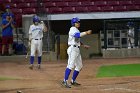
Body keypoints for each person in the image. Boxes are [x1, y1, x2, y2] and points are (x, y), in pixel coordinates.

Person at [61, 17, 92, 88]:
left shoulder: (76, 30)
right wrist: (86, 32)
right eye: (77, 22)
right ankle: (65, 81)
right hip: (72, 49)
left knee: (79, 66)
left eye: (79, 22)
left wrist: (83, 45)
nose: (78, 23)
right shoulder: (72, 29)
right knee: (70, 65)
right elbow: (77, 35)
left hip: (76, 49)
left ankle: (73, 81)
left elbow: (77, 40)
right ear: (73, 23)